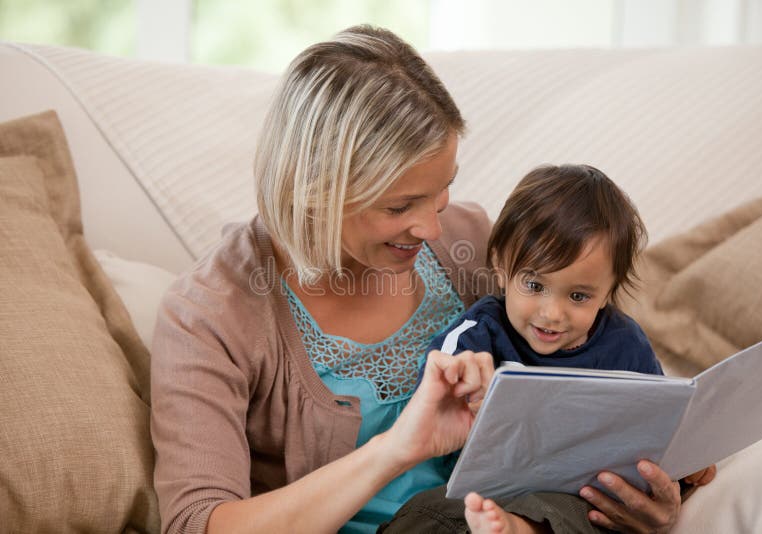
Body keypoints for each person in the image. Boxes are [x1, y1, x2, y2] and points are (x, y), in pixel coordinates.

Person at [150, 26, 689, 534]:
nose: (431, 227)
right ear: (312, 190)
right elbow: (198, 523)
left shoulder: (476, 246)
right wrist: (396, 448)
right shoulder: (212, 314)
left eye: (442, 189)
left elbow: (604, 370)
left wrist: (651, 493)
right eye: (401, 205)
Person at [385, 164, 716, 534]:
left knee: (587, 509)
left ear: (608, 291)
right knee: (426, 515)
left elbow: (659, 429)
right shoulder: (475, 337)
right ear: (500, 266)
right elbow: (427, 414)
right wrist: (465, 399)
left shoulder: (625, 344)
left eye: (578, 296)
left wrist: (687, 465)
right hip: (478, 496)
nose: (552, 313)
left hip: (575, 500)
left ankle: (518, 529)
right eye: (534, 285)